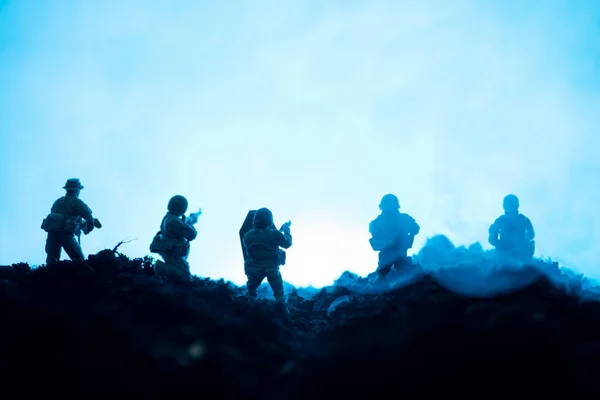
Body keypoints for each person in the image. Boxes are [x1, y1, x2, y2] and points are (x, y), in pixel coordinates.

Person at [41, 178, 99, 264]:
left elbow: (55, 217)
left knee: (52, 261)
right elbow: (89, 218)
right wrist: (89, 228)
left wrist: (79, 226)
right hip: (66, 235)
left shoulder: (58, 201)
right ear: (77, 190)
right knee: (79, 260)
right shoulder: (77, 202)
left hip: (52, 234)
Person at [242, 207, 292, 302]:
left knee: (251, 293)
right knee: (279, 295)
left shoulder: (247, 236)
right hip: (272, 269)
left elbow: (256, 245)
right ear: (270, 220)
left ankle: (249, 311)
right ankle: (282, 313)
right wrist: (286, 230)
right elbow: (287, 244)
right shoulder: (274, 234)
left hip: (254, 270)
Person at [369, 194, 420, 280]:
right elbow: (373, 231)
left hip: (399, 252)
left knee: (405, 274)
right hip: (387, 252)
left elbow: (415, 229)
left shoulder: (402, 219)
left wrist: (406, 234)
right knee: (383, 275)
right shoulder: (378, 221)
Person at [150, 195, 200, 280]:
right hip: (173, 253)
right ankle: (160, 267)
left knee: (183, 274)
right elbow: (192, 234)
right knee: (185, 276)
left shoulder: (169, 218)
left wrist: (188, 220)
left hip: (172, 251)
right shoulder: (173, 221)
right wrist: (189, 224)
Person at [488, 194, 535, 264]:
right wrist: (502, 245)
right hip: (503, 256)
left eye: (508, 204)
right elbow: (492, 238)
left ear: (515, 205)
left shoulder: (523, 219)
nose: (506, 207)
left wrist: (522, 245)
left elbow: (531, 235)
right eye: (505, 204)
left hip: (520, 256)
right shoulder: (501, 220)